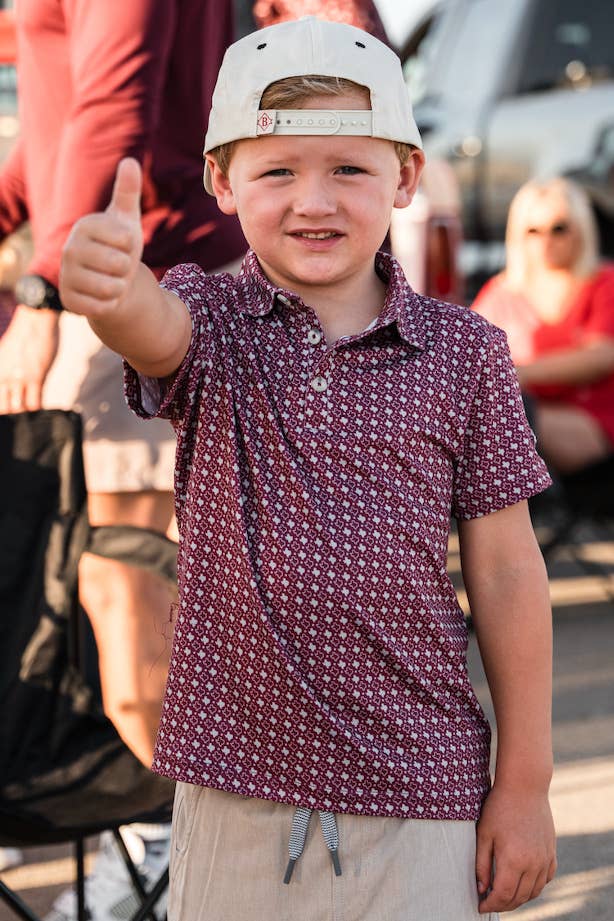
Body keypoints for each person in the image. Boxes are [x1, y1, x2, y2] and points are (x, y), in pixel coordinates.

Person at [59, 17, 557, 920]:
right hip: (237, 786)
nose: (312, 201)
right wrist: (113, 289)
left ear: (405, 175)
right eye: (278, 170)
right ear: (222, 181)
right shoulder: (207, 320)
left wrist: (523, 785)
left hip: (422, 784)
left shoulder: (467, 354)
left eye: (349, 169)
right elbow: (152, 330)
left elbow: (509, 568)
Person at [0, 2, 245, 919]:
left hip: (137, 277)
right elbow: (56, 124)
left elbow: (114, 108)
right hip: (106, 269)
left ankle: (174, 846)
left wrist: (43, 292)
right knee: (86, 593)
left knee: (127, 592)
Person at [472, 178, 614, 475]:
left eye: (559, 228)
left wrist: (512, 375)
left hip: (591, 422)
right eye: (533, 230)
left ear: (582, 229)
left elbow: (603, 356)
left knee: (511, 411)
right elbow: (464, 354)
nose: (546, 239)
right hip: (522, 416)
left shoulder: (604, 282)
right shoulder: (503, 290)